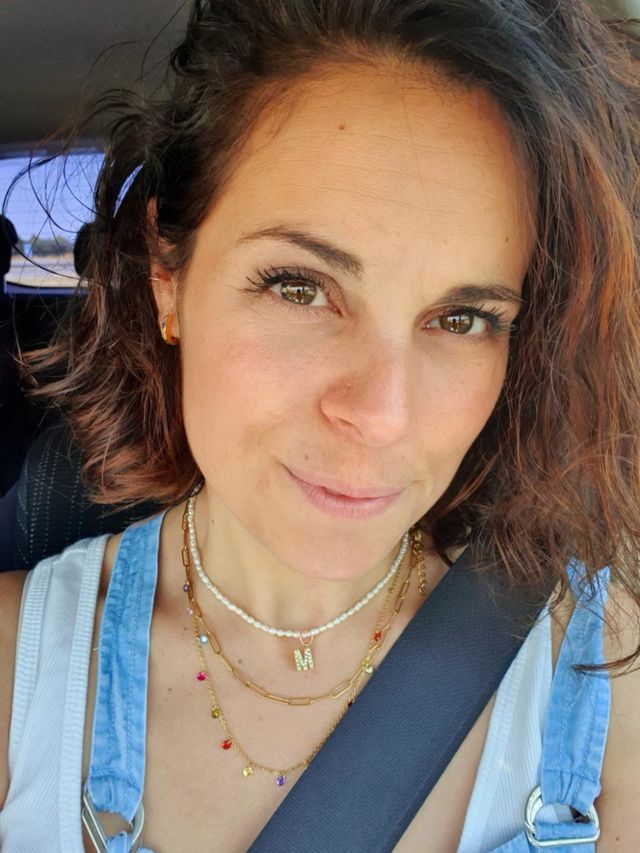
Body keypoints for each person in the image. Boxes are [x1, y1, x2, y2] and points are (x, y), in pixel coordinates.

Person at [1, 0, 639, 849]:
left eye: (464, 318)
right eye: (300, 287)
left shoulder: (602, 666)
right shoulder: (16, 669)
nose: (382, 415)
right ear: (167, 278)